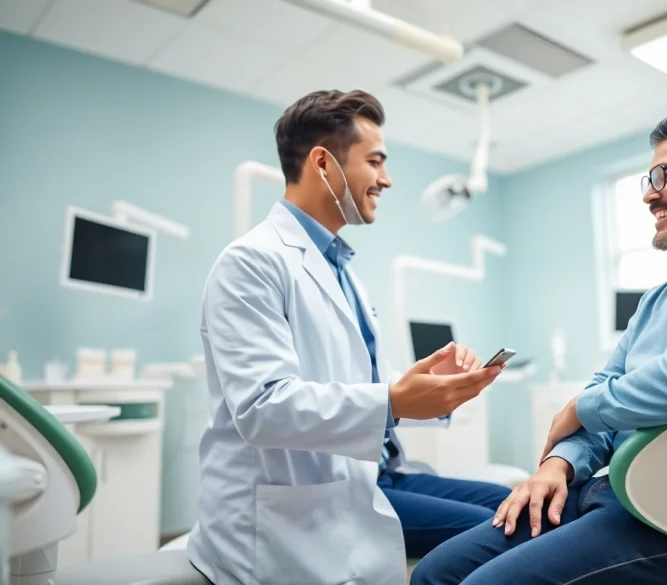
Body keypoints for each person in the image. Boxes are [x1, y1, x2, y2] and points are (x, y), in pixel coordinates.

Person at [410, 113, 667, 585]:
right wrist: (560, 463)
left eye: (664, 176)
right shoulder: (659, 299)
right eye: (646, 179)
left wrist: (580, 407)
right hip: (617, 495)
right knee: (436, 573)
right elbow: (606, 393)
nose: (648, 193)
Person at [187, 89, 509, 585]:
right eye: (375, 161)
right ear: (322, 163)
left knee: (524, 499)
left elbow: (347, 382)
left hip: (372, 472)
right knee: (515, 530)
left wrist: (425, 386)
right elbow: (261, 407)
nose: (386, 179)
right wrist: (395, 402)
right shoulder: (251, 262)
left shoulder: (340, 266)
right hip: (299, 502)